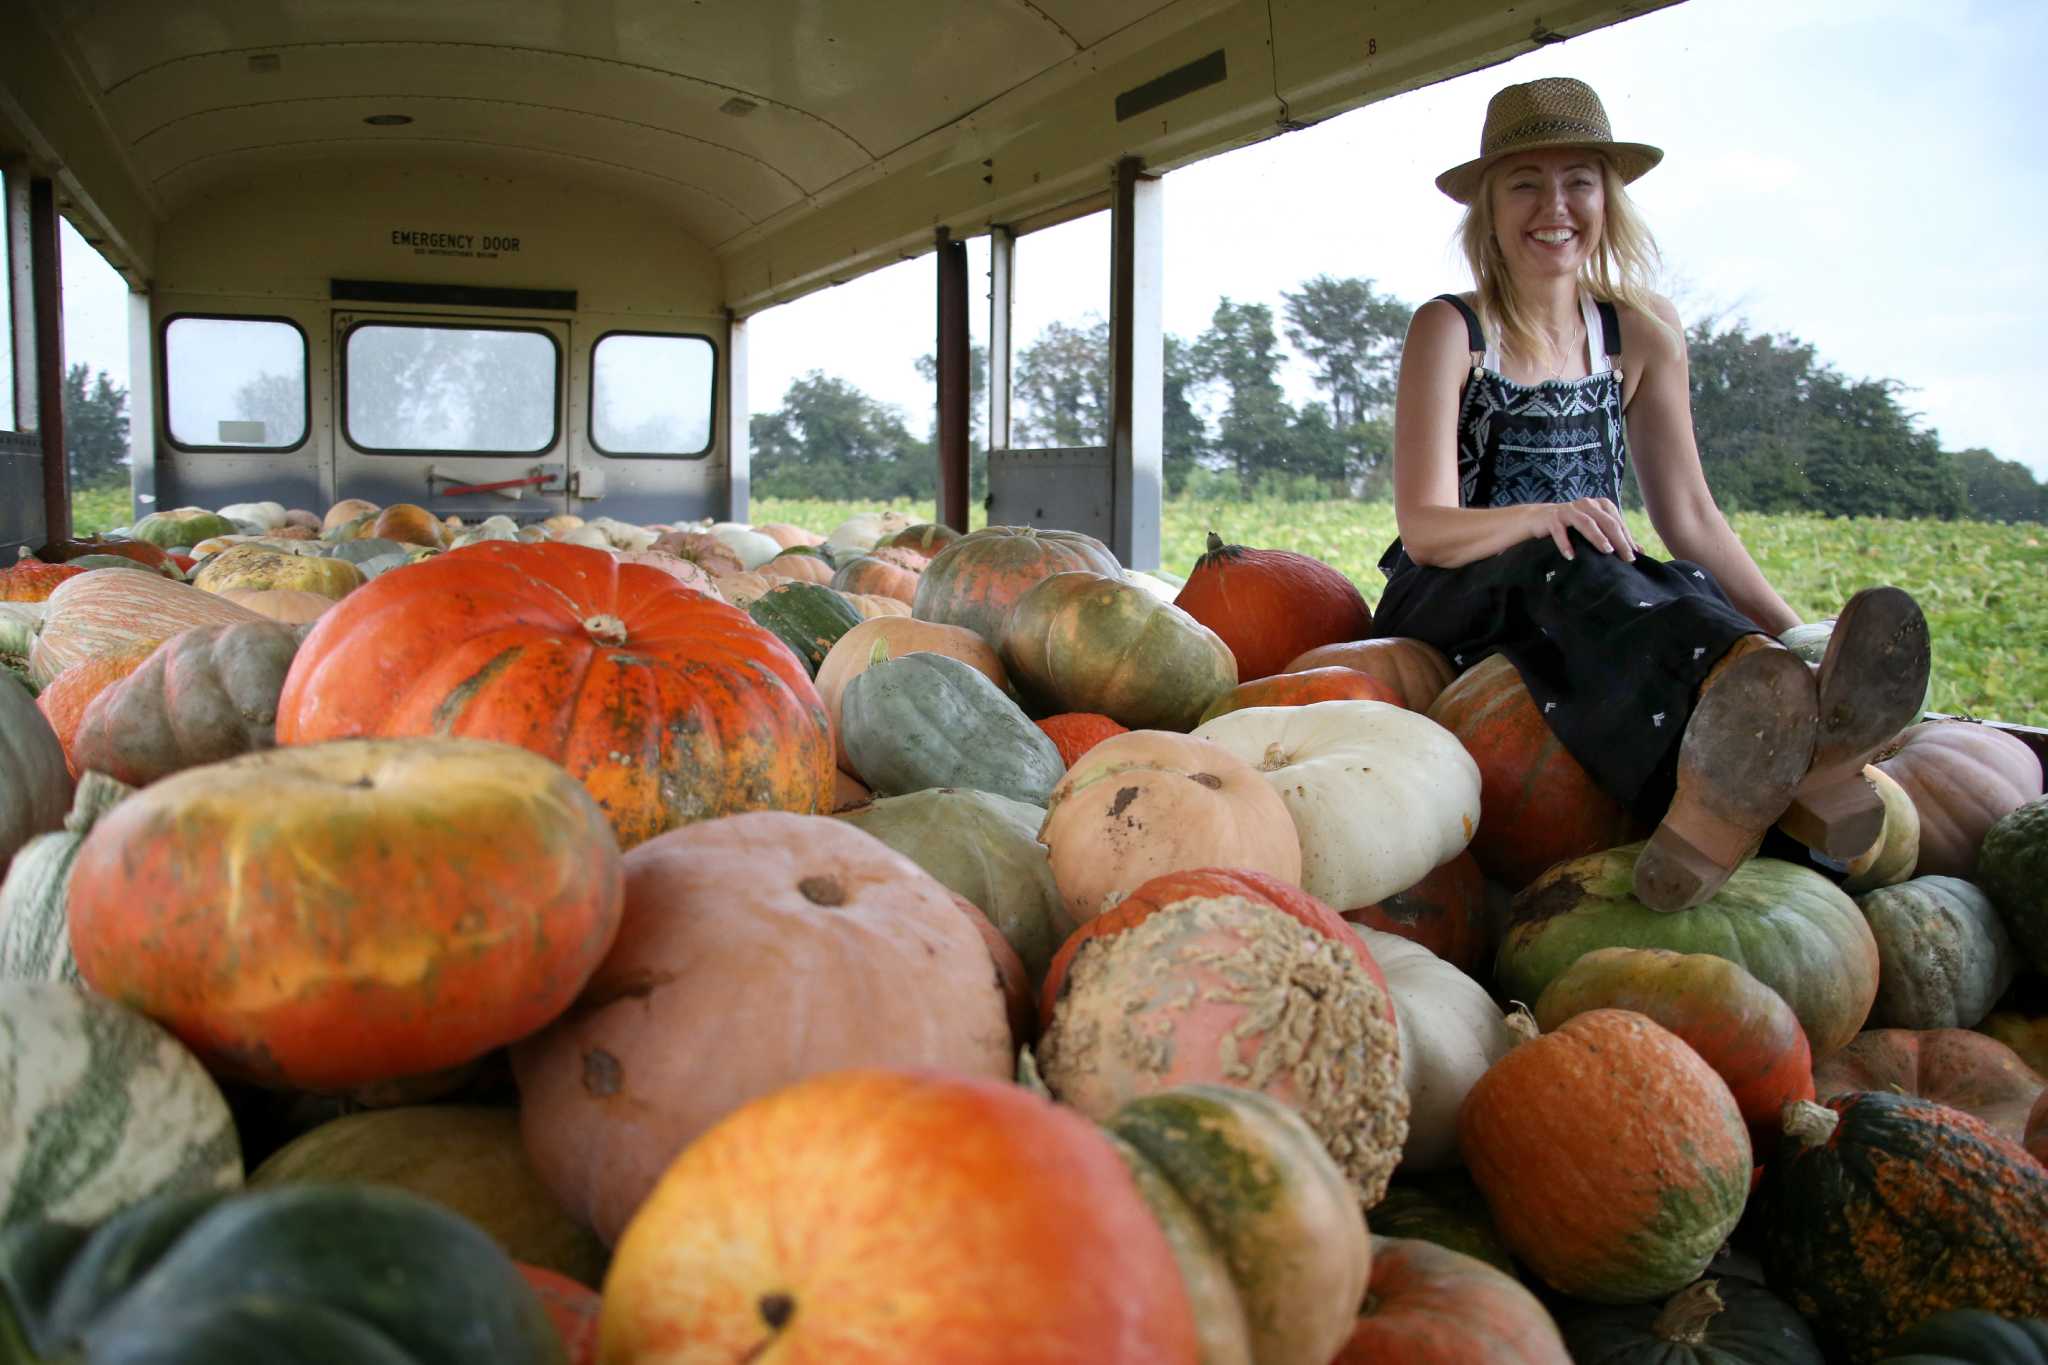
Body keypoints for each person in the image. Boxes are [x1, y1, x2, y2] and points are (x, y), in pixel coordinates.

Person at [1372, 76, 1929, 911]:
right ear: (1488, 205)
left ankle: (1775, 741)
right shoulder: (1453, 330)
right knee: (1573, 561)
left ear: (1609, 196)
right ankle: (1757, 726)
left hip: (1592, 588)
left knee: (1673, 579)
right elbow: (1423, 528)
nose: (1553, 205)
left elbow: (1692, 517)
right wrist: (1539, 515)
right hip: (1457, 591)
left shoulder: (1642, 333)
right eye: (1525, 182)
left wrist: (1797, 635)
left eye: (1578, 181)